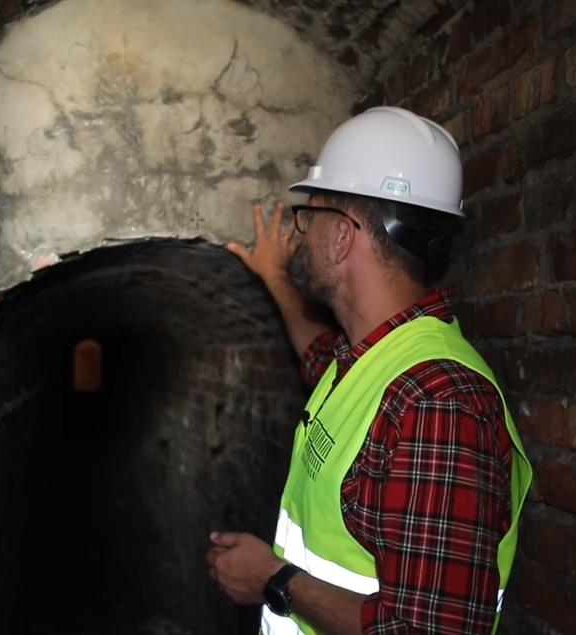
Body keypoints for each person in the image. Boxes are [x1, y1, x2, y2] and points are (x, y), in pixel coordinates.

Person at [205, 106, 532, 635]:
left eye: (309, 219)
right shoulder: (369, 360)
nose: (301, 234)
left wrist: (274, 579)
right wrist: (272, 276)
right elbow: (318, 354)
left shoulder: (436, 403)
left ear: (342, 236)